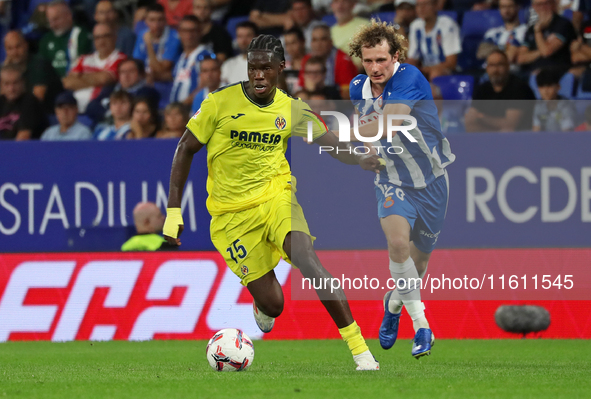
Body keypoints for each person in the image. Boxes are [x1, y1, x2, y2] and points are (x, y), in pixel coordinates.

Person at [163, 34, 381, 370]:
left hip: (276, 196)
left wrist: (361, 160)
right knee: (274, 304)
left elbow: (330, 142)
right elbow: (184, 149)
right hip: (231, 216)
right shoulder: (219, 104)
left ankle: (360, 352)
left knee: (307, 259)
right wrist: (173, 212)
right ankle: (262, 304)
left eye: (266, 68)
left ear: (281, 68)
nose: (259, 75)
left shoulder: (292, 110)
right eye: (253, 68)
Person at [347, 20, 456, 358]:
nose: (375, 68)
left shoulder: (409, 77)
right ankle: (422, 327)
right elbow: (371, 138)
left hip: (433, 181)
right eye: (368, 61)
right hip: (392, 179)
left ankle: (393, 305)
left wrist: (347, 134)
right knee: (397, 246)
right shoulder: (357, 88)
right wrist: (364, 153)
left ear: (395, 56)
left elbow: (391, 120)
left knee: (417, 267)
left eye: (381, 60)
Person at [62, 23, 127, 113]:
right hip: (74, 109)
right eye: (97, 38)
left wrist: (80, 77)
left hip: (97, 108)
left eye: (106, 36)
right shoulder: (84, 59)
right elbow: (67, 82)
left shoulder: (120, 58)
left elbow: (104, 79)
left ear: (114, 38)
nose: (101, 41)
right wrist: (96, 78)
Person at [465, 50, 536, 132]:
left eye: (500, 64)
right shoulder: (482, 89)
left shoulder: (519, 88)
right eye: (492, 65)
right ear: (487, 68)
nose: (495, 70)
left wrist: (482, 117)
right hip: (488, 139)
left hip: (518, 140)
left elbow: (511, 125)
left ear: (508, 67)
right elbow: (470, 124)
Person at [3, 30, 63, 114]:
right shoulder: (8, 70)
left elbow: (36, 100)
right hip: (20, 115)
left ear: (26, 45)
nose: (14, 52)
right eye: (10, 48)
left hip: (47, 115)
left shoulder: (40, 64)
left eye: (18, 47)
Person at [85, 58, 160, 124]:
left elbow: (134, 111)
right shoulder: (110, 88)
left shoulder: (148, 92)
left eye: (131, 71)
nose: (126, 76)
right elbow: (91, 107)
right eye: (123, 72)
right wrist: (110, 114)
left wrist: (114, 113)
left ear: (141, 74)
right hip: (105, 126)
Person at [298, 24, 358, 99]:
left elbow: (349, 93)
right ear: (311, 43)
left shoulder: (343, 59)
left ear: (331, 42)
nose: (318, 44)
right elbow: (301, 88)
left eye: (323, 39)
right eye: (315, 40)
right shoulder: (306, 60)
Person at [406, 0, 461, 80]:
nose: (421, 8)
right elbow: (412, 58)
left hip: (447, 70)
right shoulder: (415, 26)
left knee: (435, 73)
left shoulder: (447, 25)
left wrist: (427, 69)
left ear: (435, 6)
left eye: (426, 4)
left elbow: (451, 62)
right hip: (425, 69)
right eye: (418, 5)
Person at [517, 0, 576, 73]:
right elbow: (521, 58)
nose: (542, 8)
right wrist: (540, 51)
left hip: (556, 70)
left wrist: (538, 31)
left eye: (545, 4)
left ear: (552, 4)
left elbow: (546, 52)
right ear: (533, 7)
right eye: (538, 5)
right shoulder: (531, 29)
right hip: (533, 71)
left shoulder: (562, 24)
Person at [39, 0, 93, 78]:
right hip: (54, 86)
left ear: (69, 16)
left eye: (56, 19)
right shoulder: (46, 40)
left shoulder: (81, 36)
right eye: (49, 21)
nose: (52, 25)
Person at [170, 15, 215, 105]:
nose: (188, 35)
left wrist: (185, 104)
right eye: (185, 31)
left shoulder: (205, 55)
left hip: (194, 110)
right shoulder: (180, 57)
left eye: (192, 31)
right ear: (179, 33)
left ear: (200, 32)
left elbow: (207, 84)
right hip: (177, 111)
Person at [133, 4, 182, 84]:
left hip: (167, 84)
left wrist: (149, 44)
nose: (156, 25)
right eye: (152, 20)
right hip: (144, 82)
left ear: (165, 20)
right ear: (146, 21)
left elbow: (160, 69)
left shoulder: (174, 37)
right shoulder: (142, 34)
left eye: (160, 20)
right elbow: (137, 64)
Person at [0, 65, 47, 140]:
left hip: (25, 150)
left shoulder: (30, 102)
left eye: (15, 83)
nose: (11, 88)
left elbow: (23, 138)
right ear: (1, 85)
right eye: (6, 84)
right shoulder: (1, 102)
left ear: (22, 82)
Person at [478, 0, 526, 65]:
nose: (506, 10)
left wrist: (493, 48)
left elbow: (512, 56)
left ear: (517, 7)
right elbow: (481, 53)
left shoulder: (525, 30)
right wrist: (504, 47)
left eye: (510, 6)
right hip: (488, 70)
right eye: (503, 7)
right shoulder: (492, 32)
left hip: (512, 71)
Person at [330, 0, 369, 67]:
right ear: (332, 6)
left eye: (344, 2)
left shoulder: (365, 25)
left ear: (353, 4)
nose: (340, 6)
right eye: (336, 2)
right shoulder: (330, 31)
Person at [283, 27, 307, 94]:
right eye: (287, 44)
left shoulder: (311, 64)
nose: (290, 47)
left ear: (303, 42)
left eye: (293, 43)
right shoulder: (283, 67)